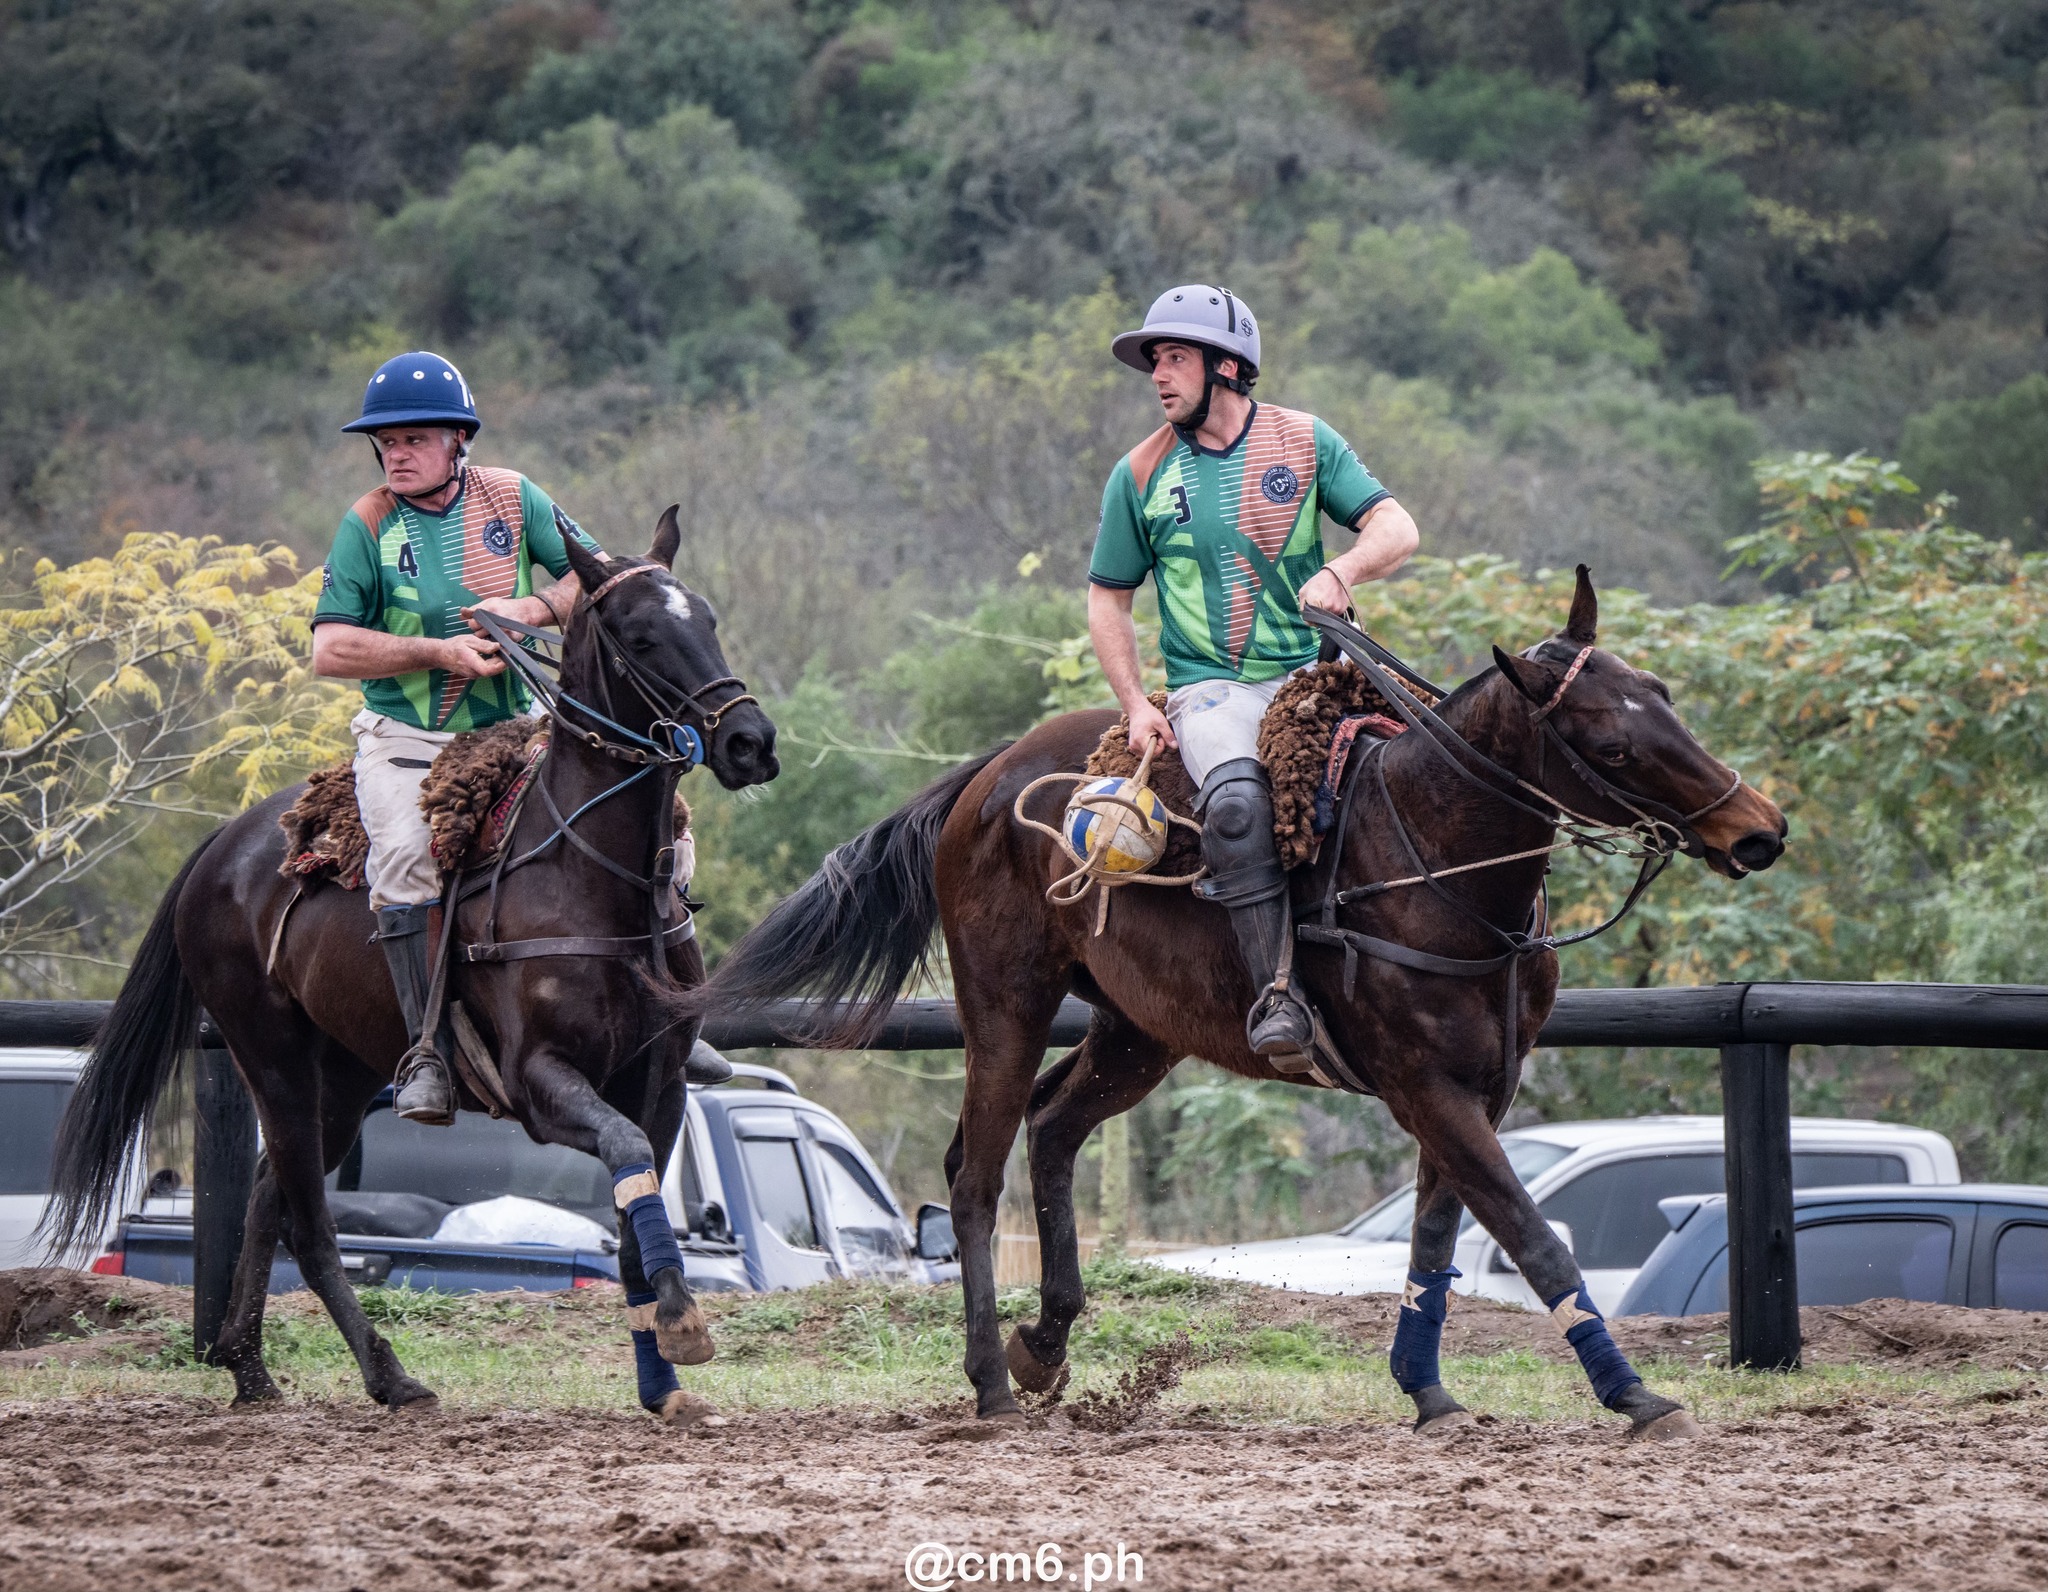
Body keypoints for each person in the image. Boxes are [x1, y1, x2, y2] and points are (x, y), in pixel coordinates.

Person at [310, 351, 703, 1125]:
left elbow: (591, 576)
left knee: (669, 834)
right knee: (407, 861)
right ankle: (425, 1052)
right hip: (407, 739)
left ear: (459, 438)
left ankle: (675, 1009)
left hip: (518, 728)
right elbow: (330, 649)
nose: (396, 452)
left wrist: (531, 609)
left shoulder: (514, 496)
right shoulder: (367, 525)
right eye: (385, 441)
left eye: (414, 438)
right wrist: (437, 651)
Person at [1088, 286, 1420, 1061]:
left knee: (1422, 773)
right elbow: (1108, 600)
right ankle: (1278, 993)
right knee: (1236, 807)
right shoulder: (1138, 475)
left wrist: (1344, 570)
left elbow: (1396, 527)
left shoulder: (1305, 440)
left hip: (1318, 677)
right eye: (1155, 363)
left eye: (1175, 358)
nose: (1159, 376)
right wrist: (1136, 703)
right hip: (1212, 690)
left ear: (1228, 365)